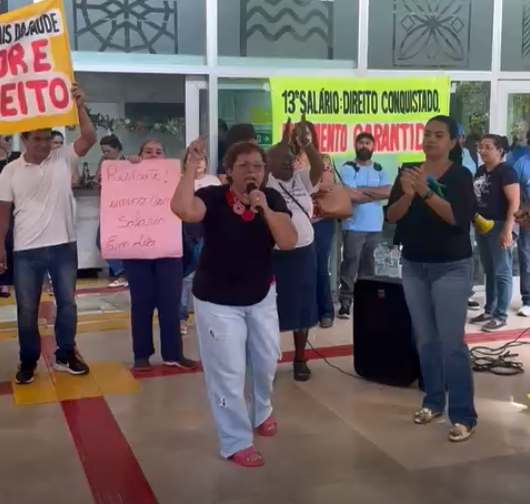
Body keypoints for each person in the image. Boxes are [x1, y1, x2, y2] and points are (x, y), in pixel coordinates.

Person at [171, 139, 297, 467]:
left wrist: (264, 209)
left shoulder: (270, 198)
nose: (252, 171)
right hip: (217, 299)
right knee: (228, 371)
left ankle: (261, 412)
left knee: (267, 360)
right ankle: (236, 441)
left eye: (257, 166)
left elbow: (288, 241)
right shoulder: (213, 197)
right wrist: (189, 170)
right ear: (229, 172)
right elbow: (183, 210)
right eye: (244, 166)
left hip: (261, 294)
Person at [386, 115, 477, 442]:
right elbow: (391, 215)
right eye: (427, 134)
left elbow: (458, 218)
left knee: (452, 344)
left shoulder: (461, 176)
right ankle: (433, 400)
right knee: (425, 339)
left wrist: (425, 192)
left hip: (451, 267)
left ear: (453, 142)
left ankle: (464, 414)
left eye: (439, 135)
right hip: (414, 266)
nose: (430, 140)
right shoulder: (408, 171)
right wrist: (409, 194)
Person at [0, 84, 97, 385]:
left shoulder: (61, 158)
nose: (45, 145)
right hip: (26, 249)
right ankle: (28, 360)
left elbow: (89, 138)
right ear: (25, 139)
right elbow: (3, 212)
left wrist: (80, 106)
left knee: (67, 303)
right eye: (38, 140)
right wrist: (0, 248)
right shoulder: (9, 172)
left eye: (48, 139)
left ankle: (66, 353)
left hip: (63, 247)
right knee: (26, 309)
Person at [122, 140, 196, 371]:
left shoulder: (175, 179)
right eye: (148, 151)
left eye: (158, 151)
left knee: (170, 304)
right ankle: (141, 355)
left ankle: (173, 353)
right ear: (139, 153)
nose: (153, 155)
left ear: (165, 156)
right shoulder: (128, 175)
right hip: (136, 250)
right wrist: (129, 167)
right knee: (141, 304)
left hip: (168, 248)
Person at [268, 117, 325, 381]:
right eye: (281, 159)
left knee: (303, 305)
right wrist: (280, 144)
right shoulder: (265, 184)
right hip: (274, 254)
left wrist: (306, 143)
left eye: (290, 159)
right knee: (269, 307)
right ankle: (267, 357)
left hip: (304, 252)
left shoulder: (302, 179)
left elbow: (317, 164)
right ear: (269, 163)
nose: (287, 162)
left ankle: (300, 358)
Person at [337, 132, 391, 319]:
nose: (364, 146)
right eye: (361, 143)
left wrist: (362, 192)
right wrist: (375, 193)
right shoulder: (348, 168)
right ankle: (345, 302)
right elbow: (350, 195)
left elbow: (388, 192)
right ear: (356, 145)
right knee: (350, 265)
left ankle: (366, 302)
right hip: (353, 226)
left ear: (373, 147)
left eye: (368, 143)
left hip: (375, 226)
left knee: (369, 267)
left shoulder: (379, 168)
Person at [471, 135, 520, 332]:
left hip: (500, 225)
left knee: (502, 271)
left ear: (500, 150)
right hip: (483, 225)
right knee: (489, 270)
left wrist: (507, 230)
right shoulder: (482, 170)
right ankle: (489, 310)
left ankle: (500, 315)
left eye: (488, 147)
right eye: (481, 147)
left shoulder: (506, 172)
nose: (482, 151)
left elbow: (514, 203)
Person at [179, 144, 221, 336]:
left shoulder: (214, 181)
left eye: (202, 159)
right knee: (186, 278)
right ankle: (182, 317)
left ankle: (210, 316)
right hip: (185, 233)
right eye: (193, 159)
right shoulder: (181, 181)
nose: (198, 163)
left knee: (208, 274)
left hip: (209, 233)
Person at [95, 134, 128, 288]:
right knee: (103, 241)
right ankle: (121, 272)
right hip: (108, 208)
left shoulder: (126, 163)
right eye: (103, 152)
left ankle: (123, 272)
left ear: (117, 149)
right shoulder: (105, 163)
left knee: (105, 241)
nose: (105, 155)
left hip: (122, 209)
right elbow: (97, 180)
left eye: (108, 151)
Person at [311, 154, 336, 328]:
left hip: (321, 221)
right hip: (296, 222)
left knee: (320, 268)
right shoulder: (288, 161)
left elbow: (326, 187)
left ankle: (326, 312)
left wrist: (306, 188)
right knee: (301, 271)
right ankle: (307, 313)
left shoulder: (322, 161)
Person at [0, 135, 20, 298]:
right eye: (5, 139)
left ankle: (5, 282)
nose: (7, 142)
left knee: (7, 242)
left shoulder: (14, 160)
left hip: (10, 207)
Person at [514, 149, 530, 316]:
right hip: (527, 217)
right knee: (526, 259)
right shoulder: (522, 163)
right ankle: (528, 300)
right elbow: (514, 191)